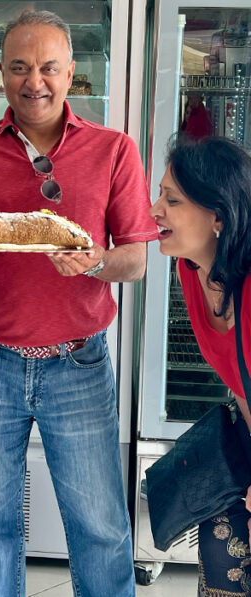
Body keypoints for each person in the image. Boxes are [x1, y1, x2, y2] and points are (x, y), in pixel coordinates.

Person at [0, 10, 158, 596]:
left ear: (71, 73)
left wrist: (95, 261)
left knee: (101, 526)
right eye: (19, 67)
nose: (35, 81)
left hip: (78, 365)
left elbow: (134, 260)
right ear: (1, 74)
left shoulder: (114, 150)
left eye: (48, 67)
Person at [150, 136, 251, 594]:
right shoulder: (191, 271)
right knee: (219, 557)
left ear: (218, 216)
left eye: (172, 200)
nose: (155, 209)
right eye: (160, 195)